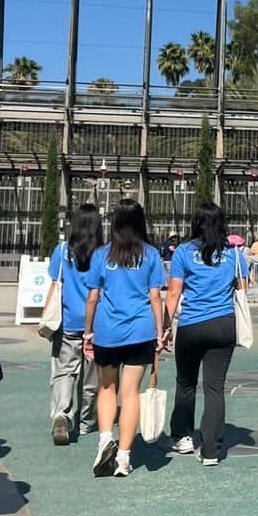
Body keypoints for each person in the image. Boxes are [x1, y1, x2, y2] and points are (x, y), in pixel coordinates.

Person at [82, 199, 166, 479]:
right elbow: (155, 297)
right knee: (130, 394)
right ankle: (124, 458)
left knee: (107, 388)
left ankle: (105, 438)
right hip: (140, 330)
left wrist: (87, 332)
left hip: (107, 331)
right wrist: (160, 331)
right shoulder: (151, 255)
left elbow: (93, 297)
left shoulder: (101, 255)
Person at [163, 203, 248, 466]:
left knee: (186, 383)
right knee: (214, 387)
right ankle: (211, 449)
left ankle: (183, 436)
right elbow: (243, 286)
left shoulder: (184, 253)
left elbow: (174, 293)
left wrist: (165, 326)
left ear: (196, 223)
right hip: (223, 325)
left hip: (191, 324)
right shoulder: (233, 253)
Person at [44, 203, 101, 446]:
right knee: (92, 375)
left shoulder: (62, 250)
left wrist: (44, 316)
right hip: (97, 323)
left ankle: (61, 413)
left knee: (64, 371)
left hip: (66, 321)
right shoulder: (103, 253)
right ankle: (86, 420)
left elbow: (55, 284)